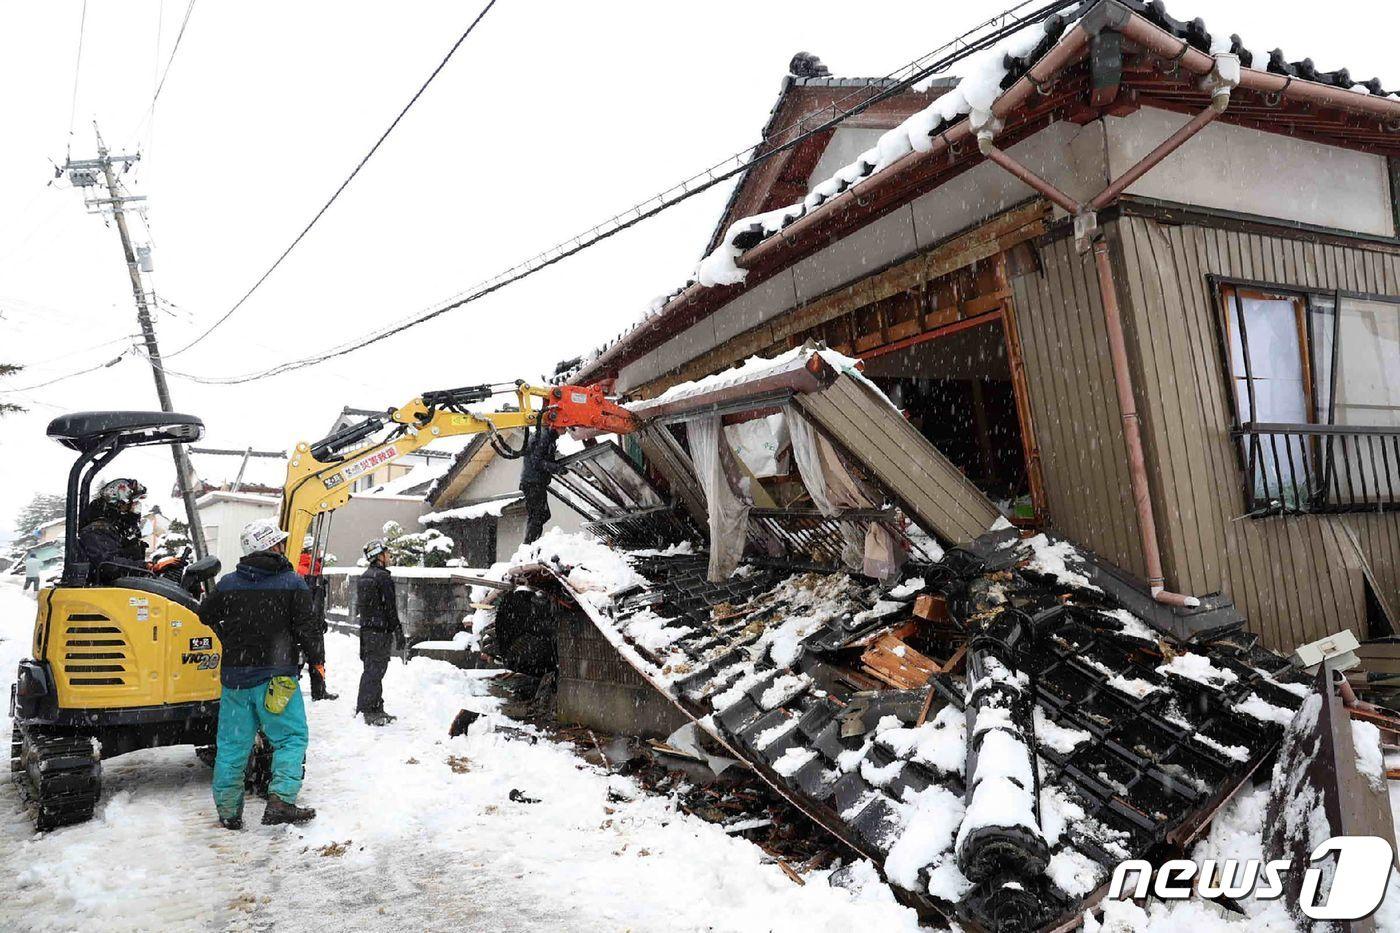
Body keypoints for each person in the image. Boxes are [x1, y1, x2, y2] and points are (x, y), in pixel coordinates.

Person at [199, 518, 325, 830]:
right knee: (291, 738)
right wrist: (317, 662)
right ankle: (280, 800)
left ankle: (229, 812)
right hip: (277, 680)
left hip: (235, 680)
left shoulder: (228, 583)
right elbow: (308, 630)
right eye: (279, 542)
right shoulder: (292, 583)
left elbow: (205, 615)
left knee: (232, 745)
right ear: (272, 546)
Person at [355, 538, 404, 726]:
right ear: (379, 557)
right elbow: (390, 608)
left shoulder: (365, 576)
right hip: (380, 632)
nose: (389, 556)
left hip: (367, 631)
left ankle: (374, 706)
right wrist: (398, 631)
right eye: (387, 553)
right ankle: (368, 709)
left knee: (371, 670)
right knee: (375, 671)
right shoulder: (382, 578)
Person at [77, 478, 150, 584]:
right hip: (102, 591)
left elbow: (125, 557)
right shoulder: (97, 530)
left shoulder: (120, 529)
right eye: (132, 503)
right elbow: (108, 566)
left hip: (119, 587)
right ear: (118, 504)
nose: (136, 508)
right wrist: (146, 567)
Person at [294, 535, 337, 702]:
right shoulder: (307, 572)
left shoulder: (309, 570)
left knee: (301, 659)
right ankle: (318, 691)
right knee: (315, 659)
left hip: (308, 623)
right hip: (310, 624)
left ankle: (292, 691)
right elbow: (312, 602)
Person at [520, 426, 564, 545]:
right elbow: (537, 461)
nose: (566, 430)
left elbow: (540, 460)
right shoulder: (543, 437)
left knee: (542, 514)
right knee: (538, 515)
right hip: (533, 482)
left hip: (535, 482)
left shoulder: (549, 437)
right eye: (565, 427)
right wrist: (556, 468)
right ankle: (529, 544)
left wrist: (556, 466)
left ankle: (531, 542)